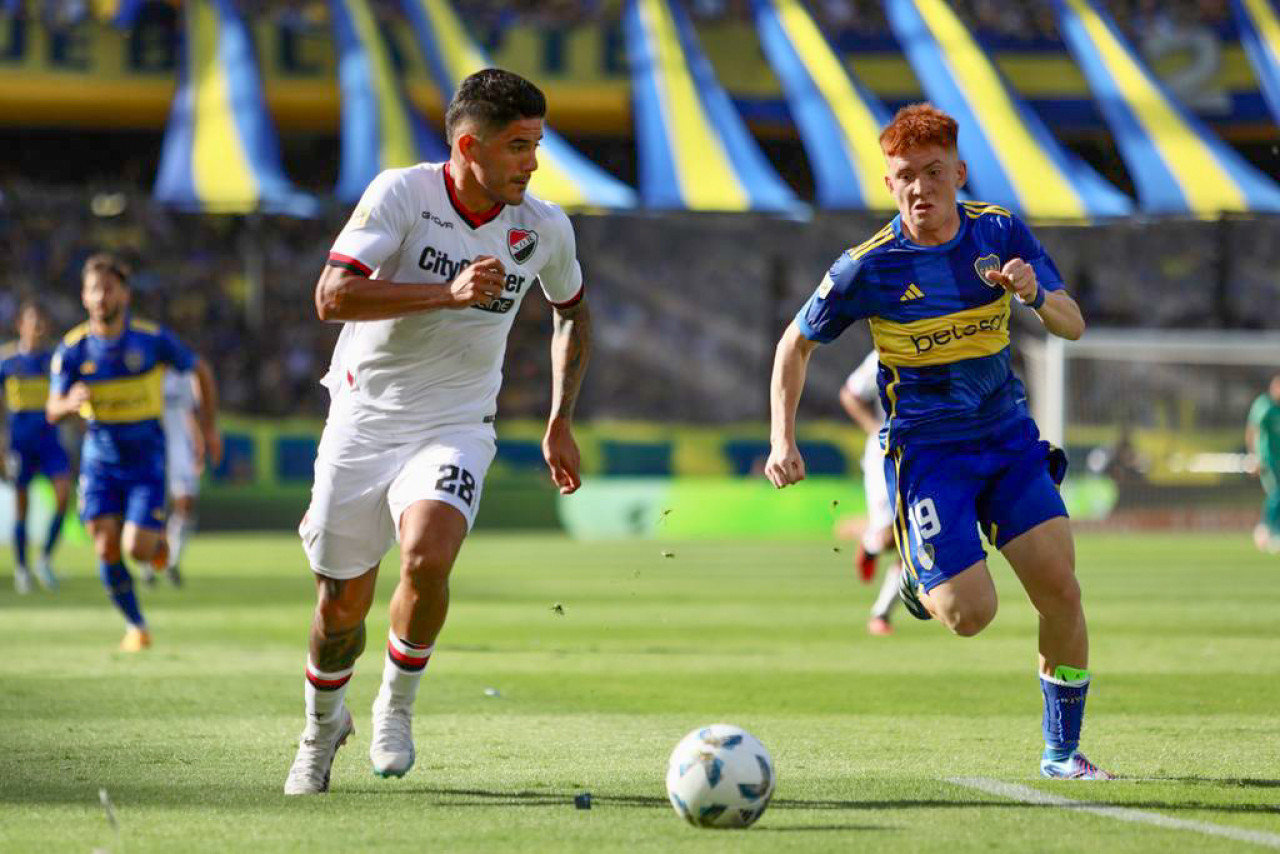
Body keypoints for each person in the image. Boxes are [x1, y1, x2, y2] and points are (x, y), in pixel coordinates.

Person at [765, 104, 1110, 779]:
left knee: (1061, 592)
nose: (919, 188)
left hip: (1008, 440)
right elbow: (793, 345)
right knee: (970, 614)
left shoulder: (1000, 231)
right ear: (889, 185)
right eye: (903, 178)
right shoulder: (868, 268)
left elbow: (1072, 325)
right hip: (929, 458)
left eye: (932, 172)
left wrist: (1035, 293)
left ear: (958, 171)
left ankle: (1062, 753)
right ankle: (927, 582)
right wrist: (783, 439)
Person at [284, 68, 591, 795]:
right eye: (518, 146)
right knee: (339, 609)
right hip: (363, 420)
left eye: (537, 144)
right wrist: (445, 293)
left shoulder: (542, 227)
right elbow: (332, 296)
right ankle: (322, 727)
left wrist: (559, 419)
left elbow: (572, 309)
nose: (534, 162)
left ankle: (396, 703)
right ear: (467, 145)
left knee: (427, 556)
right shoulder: (402, 193)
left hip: (456, 424)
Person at [47, 254, 221, 651]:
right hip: (99, 460)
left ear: (124, 294)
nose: (101, 296)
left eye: (109, 288)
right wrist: (69, 401)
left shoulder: (151, 338)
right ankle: (136, 625)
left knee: (136, 550)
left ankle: (156, 545)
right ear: (84, 297)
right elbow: (51, 410)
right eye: (94, 289)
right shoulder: (72, 351)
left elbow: (201, 371)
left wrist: (209, 427)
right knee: (105, 546)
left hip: (146, 460)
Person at [0, 302, 72, 593]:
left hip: (50, 440)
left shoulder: (55, 360)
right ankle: (21, 569)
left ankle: (43, 559)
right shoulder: (6, 361)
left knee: (64, 498)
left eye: (42, 321)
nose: (38, 327)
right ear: (20, 324)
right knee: (22, 508)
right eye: (33, 321)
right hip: (19, 444)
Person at [838, 350, 903, 636]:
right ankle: (870, 540)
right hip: (885, 455)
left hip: (930, 453)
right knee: (889, 538)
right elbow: (849, 394)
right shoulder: (885, 351)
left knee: (918, 540)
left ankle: (882, 613)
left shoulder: (947, 342)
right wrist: (874, 428)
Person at [142, 369, 206, 587]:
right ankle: (148, 565)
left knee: (185, 503)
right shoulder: (145, 370)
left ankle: (172, 561)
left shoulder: (184, 374)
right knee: (152, 507)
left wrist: (199, 446)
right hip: (153, 446)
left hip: (181, 449)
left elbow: (191, 413)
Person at [1246, 374, 1280, 553]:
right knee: (1277, 493)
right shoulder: (1264, 405)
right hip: (1268, 460)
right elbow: (1252, 430)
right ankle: (1266, 529)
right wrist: (1253, 456)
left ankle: (1272, 531)